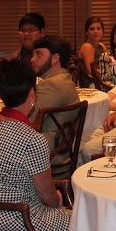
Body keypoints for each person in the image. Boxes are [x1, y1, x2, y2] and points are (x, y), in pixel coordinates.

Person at [0, 59, 70, 231]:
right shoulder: (32, 139)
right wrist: (56, 198)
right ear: (32, 94)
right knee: (82, 225)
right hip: (16, 224)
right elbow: (46, 194)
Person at [29, 35, 81, 176]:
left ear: (55, 58)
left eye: (38, 54)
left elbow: (26, 122)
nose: (32, 59)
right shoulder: (65, 80)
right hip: (61, 154)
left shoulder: (51, 85)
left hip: (46, 158)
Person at [76, 16, 109, 90]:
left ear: (103, 31)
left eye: (98, 28)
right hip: (91, 83)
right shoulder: (87, 47)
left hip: (102, 79)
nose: (95, 31)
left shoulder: (102, 46)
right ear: (86, 32)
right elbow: (91, 71)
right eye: (92, 29)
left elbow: (109, 63)